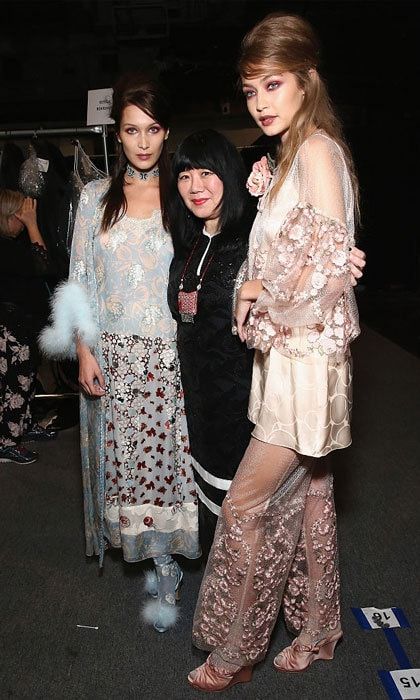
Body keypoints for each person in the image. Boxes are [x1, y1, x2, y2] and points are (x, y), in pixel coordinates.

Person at [187, 12, 363, 691]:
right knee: (312, 496)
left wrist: (258, 287)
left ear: (306, 79)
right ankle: (319, 633)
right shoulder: (298, 150)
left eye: (273, 83)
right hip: (290, 358)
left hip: (303, 366)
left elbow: (331, 269)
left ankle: (235, 651)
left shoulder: (315, 151)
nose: (259, 100)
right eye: (250, 88)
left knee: (244, 507)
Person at [39, 71, 201, 633]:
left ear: (165, 132)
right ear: (119, 134)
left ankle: (168, 560)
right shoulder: (92, 199)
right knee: (127, 466)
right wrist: (83, 352)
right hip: (114, 357)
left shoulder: (184, 194)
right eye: (132, 130)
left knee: (169, 466)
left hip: (167, 356)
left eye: (154, 129)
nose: (144, 142)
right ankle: (151, 553)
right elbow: (78, 281)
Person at [167, 129, 256, 557]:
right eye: (185, 176)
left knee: (246, 524)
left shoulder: (253, 243)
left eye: (206, 173)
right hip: (199, 408)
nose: (195, 186)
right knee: (213, 513)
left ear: (229, 174)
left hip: (244, 411)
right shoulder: (186, 244)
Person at [0, 190, 57, 466]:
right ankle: (7, 443)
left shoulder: (12, 243)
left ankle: (24, 426)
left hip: (22, 325)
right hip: (11, 327)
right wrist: (34, 225)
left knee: (27, 380)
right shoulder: (4, 246)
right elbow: (43, 265)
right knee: (15, 384)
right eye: (20, 217)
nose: (24, 222)